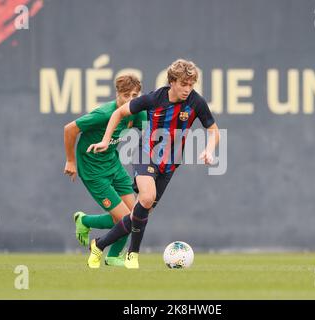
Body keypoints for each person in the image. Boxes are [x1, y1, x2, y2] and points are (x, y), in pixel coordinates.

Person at [86, 59, 220, 269]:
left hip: (170, 164)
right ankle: (133, 255)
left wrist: (209, 149)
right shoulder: (154, 98)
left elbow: (213, 130)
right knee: (147, 197)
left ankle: (99, 245)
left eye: (191, 85)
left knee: (140, 213)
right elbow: (119, 112)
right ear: (172, 81)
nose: (188, 89)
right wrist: (105, 140)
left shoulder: (196, 102)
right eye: (183, 84)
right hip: (145, 155)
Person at [63, 74, 146, 267]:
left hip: (113, 165)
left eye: (135, 95)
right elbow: (70, 129)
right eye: (126, 95)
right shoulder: (104, 113)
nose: (130, 100)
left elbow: (156, 130)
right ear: (118, 94)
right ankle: (85, 220)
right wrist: (70, 161)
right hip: (93, 170)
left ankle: (112, 257)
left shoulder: (137, 112)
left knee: (136, 215)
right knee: (125, 219)